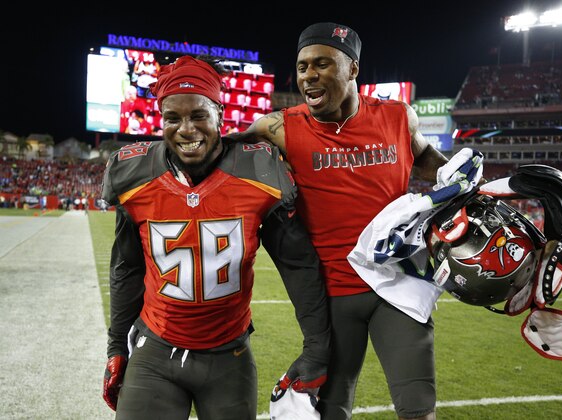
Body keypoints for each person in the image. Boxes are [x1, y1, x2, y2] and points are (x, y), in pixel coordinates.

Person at [227, 22, 451, 420]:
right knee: (331, 410)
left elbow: (435, 165)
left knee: (418, 410)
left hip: (396, 287)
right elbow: (218, 150)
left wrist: (472, 185)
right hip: (331, 295)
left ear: (353, 70)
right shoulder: (280, 127)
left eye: (322, 64)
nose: (308, 75)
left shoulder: (399, 116)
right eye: (301, 67)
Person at [100, 55, 330, 420]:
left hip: (228, 356)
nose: (186, 129)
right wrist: (116, 347)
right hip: (154, 351)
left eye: (199, 116)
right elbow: (127, 269)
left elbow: (298, 265)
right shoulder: (134, 175)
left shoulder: (259, 172)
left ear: (221, 116)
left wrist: (317, 348)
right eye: (173, 118)